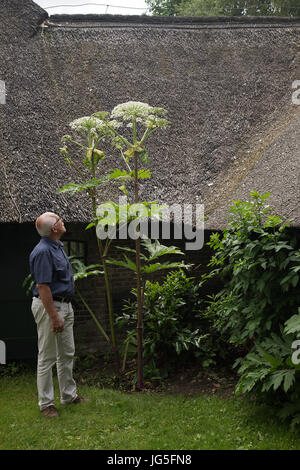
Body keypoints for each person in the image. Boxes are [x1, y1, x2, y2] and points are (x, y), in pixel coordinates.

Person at [30, 212, 89, 417]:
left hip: (65, 305)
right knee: (47, 357)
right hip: (51, 307)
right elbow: (43, 286)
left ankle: (68, 395)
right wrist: (54, 316)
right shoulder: (43, 252)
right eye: (59, 220)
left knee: (66, 353)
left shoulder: (57, 246)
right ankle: (46, 404)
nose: (62, 221)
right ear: (54, 229)